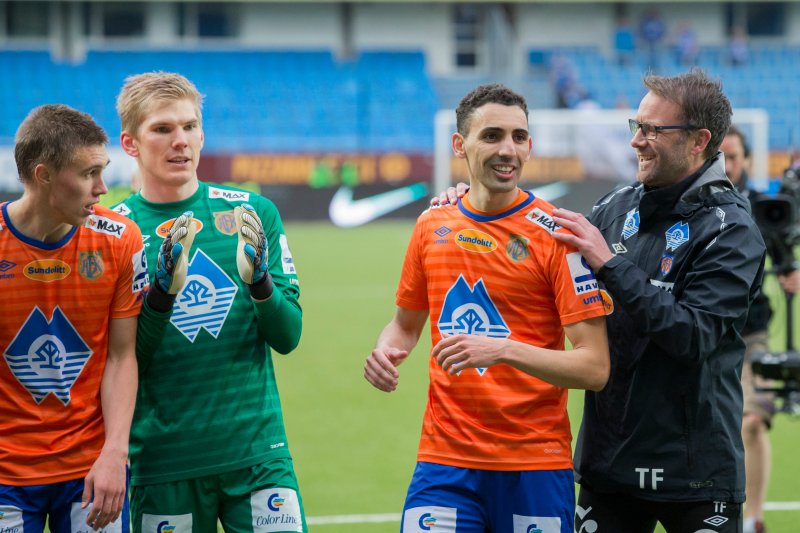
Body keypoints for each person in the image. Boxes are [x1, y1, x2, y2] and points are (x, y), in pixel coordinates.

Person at [436, 70, 767, 532]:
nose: (638, 142)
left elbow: (693, 336)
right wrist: (468, 198)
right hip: (609, 469)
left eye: (654, 130)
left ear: (699, 141)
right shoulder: (614, 209)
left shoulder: (729, 230)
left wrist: (610, 264)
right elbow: (535, 254)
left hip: (696, 478)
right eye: (638, 126)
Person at [364, 83, 610, 533]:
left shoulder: (558, 237)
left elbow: (594, 367)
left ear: (531, 146)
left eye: (519, 137)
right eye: (492, 135)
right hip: (444, 463)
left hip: (534, 464)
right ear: (460, 145)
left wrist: (502, 349)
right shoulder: (430, 226)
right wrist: (385, 351)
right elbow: (403, 326)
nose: (508, 150)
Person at [112, 72, 306, 533]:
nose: (180, 141)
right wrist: (160, 296)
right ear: (131, 143)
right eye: (162, 129)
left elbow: (289, 336)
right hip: (164, 465)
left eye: (190, 126)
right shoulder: (113, 233)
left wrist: (259, 284)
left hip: (258, 454)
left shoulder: (252, 214)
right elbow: (124, 360)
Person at [0, 105, 147, 533]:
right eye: (88, 174)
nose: (102, 188)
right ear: (44, 175)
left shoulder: (120, 239)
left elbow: (122, 357)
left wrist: (115, 454)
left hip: (91, 469)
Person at [721, 125, 800, 533]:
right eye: (720, 157)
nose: (727, 165)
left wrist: (790, 272)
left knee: (752, 422)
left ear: (747, 161)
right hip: (701, 337)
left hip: (750, 334)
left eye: (733, 157)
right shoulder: (690, 205)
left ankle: (753, 519)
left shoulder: (760, 207)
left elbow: (786, 247)